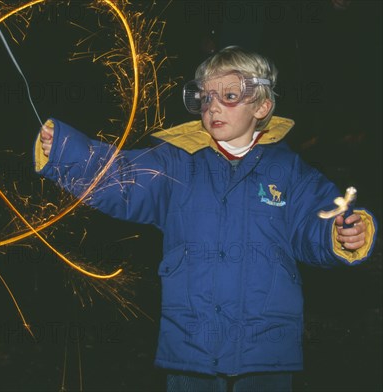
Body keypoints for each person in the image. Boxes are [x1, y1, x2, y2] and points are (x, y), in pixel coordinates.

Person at [32, 46, 377, 391]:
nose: (213, 106)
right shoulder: (177, 162)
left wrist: (341, 232)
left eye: (229, 95)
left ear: (261, 106)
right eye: (205, 97)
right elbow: (122, 178)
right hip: (191, 343)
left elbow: (317, 218)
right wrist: (66, 151)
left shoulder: (288, 171)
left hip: (265, 346)